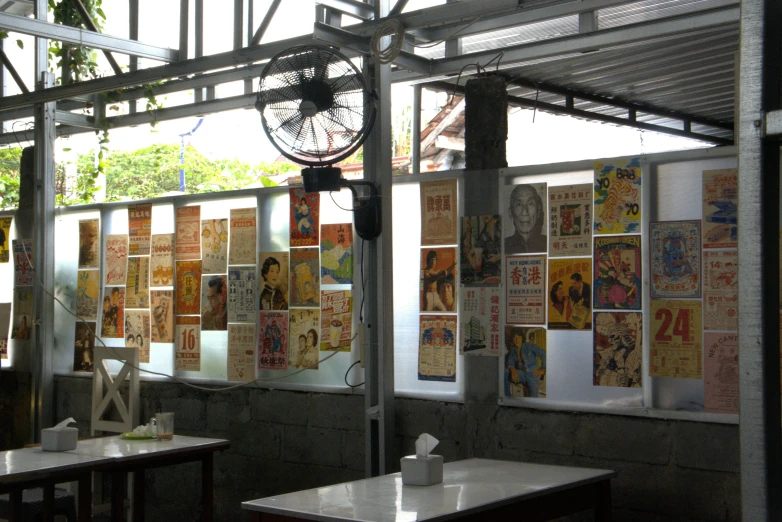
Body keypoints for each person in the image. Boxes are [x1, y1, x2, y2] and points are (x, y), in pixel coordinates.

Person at [504, 328, 547, 397]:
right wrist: (513, 370)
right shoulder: (513, 350)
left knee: (533, 399)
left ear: (522, 338)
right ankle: (507, 397)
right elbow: (510, 363)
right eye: (514, 337)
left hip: (533, 375)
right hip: (523, 374)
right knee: (505, 372)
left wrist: (543, 369)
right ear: (512, 339)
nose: (517, 339)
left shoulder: (529, 346)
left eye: (518, 337)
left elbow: (544, 354)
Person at [505, 185, 547, 254]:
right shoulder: (503, 246)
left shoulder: (549, 243)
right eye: (519, 204)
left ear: (538, 211)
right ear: (510, 213)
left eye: (530, 204)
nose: (525, 212)